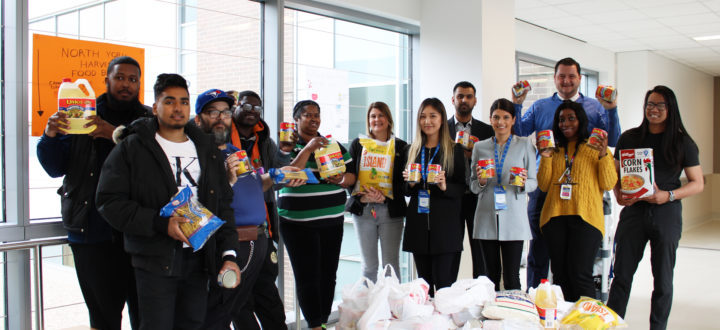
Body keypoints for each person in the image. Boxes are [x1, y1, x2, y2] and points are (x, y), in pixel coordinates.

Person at [95, 74, 241, 330]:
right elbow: (109, 202)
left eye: (184, 102)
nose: (178, 108)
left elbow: (223, 206)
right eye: (170, 101)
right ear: (155, 107)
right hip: (154, 260)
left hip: (199, 260)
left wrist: (229, 255)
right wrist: (160, 224)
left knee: (192, 325)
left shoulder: (207, 150)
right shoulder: (133, 147)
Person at [37, 56, 148, 330]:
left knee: (147, 316)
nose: (126, 84)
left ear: (139, 84)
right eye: (119, 77)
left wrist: (113, 133)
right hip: (91, 232)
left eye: (132, 79)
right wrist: (50, 135)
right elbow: (55, 167)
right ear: (107, 80)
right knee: (102, 317)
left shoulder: (148, 120)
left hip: (141, 234)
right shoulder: (81, 114)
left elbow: (157, 166)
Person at [511, 57, 621, 289]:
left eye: (571, 76)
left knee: (579, 265)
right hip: (547, 184)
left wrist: (611, 109)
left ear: (580, 78)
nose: (566, 81)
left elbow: (614, 137)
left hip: (584, 194)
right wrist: (517, 105)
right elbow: (519, 132)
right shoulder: (540, 106)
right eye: (561, 76)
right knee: (539, 252)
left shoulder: (595, 106)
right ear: (554, 79)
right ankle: (537, 299)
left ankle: (579, 311)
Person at [607, 86, 703, 330]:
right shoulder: (629, 137)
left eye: (660, 105)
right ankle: (611, 325)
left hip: (666, 214)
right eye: (650, 104)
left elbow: (697, 183)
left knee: (662, 280)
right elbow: (615, 175)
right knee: (621, 276)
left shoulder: (683, 142)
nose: (654, 109)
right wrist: (619, 194)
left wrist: (668, 195)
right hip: (633, 213)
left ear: (670, 109)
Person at [278, 100, 356, 330]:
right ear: (296, 119)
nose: (313, 119)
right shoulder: (285, 146)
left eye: (317, 115)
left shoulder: (334, 146)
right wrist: (309, 148)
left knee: (328, 275)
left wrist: (340, 179)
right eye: (307, 115)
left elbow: (352, 177)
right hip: (297, 224)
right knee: (307, 277)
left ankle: (322, 322)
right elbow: (287, 174)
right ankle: (313, 324)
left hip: (332, 222)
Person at [536, 100, 616, 302]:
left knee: (580, 273)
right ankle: (566, 321)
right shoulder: (553, 150)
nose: (566, 123)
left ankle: (586, 322)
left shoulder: (594, 147)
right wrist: (545, 157)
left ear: (581, 120)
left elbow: (608, 183)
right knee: (560, 276)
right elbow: (544, 185)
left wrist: (603, 154)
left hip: (586, 218)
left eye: (571, 118)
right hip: (555, 218)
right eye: (561, 119)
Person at [229, 90, 292, 330]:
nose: (252, 112)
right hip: (231, 230)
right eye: (247, 106)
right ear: (236, 106)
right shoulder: (220, 136)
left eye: (257, 108)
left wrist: (285, 154)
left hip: (261, 229)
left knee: (267, 294)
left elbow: (278, 179)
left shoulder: (264, 139)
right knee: (238, 298)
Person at [469, 98, 536, 291]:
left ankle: (513, 317)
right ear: (490, 119)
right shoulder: (480, 147)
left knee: (512, 277)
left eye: (506, 117)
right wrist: (481, 182)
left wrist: (523, 183)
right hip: (486, 216)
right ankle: (490, 318)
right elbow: (473, 184)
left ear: (513, 120)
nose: (501, 122)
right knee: (490, 277)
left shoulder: (524, 145)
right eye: (496, 117)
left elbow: (534, 182)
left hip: (514, 217)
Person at [402, 97, 465, 296]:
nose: (427, 121)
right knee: (424, 288)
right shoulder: (410, 150)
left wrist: (445, 186)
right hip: (419, 227)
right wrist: (410, 184)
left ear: (442, 119)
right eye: (422, 117)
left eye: (432, 116)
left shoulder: (454, 150)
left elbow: (462, 188)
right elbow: (405, 190)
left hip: (446, 228)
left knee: (444, 287)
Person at [346, 101, 408, 282]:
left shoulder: (402, 147)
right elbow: (350, 177)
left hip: (391, 212)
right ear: (368, 120)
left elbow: (404, 182)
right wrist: (361, 196)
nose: (377, 119)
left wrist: (385, 196)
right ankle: (369, 308)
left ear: (388, 119)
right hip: (363, 211)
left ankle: (392, 308)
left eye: (381, 115)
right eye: (373, 116)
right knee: (368, 267)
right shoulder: (358, 145)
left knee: (391, 266)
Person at [447, 81, 494, 278]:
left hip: (478, 197)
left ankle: (480, 294)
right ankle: (445, 294)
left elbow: (494, 162)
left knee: (481, 251)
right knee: (450, 250)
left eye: (468, 96)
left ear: (475, 100)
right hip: (451, 197)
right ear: (453, 100)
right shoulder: (443, 129)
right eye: (460, 96)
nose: (464, 100)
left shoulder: (486, 131)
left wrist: (475, 157)